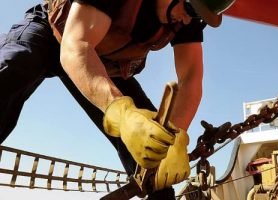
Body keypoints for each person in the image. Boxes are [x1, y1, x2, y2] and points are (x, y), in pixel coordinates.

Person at [0, 0, 235, 199]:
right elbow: (77, 47)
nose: (187, 19)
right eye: (191, 9)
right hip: (52, 35)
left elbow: (191, 78)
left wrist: (175, 136)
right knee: (14, 67)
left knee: (154, 150)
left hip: (104, 65)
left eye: (198, 15)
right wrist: (122, 114)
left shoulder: (186, 14)